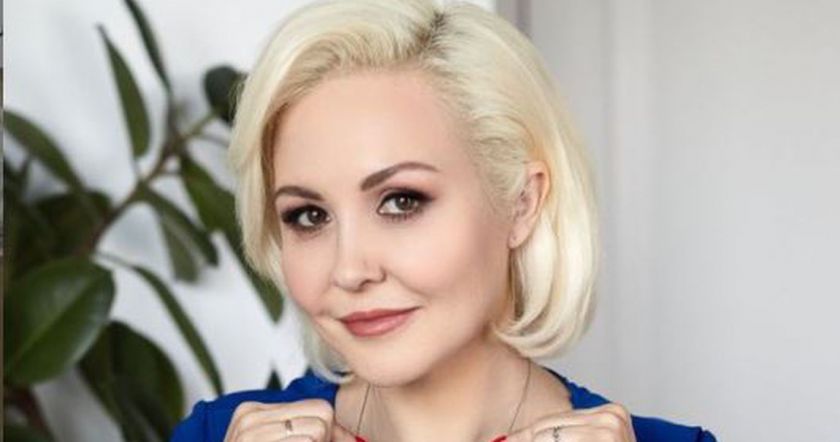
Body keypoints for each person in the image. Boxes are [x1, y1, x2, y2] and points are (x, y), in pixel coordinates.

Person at [171, 0, 717, 441]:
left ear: (521, 203)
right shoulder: (214, 436)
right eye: (308, 215)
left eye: (400, 201)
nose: (350, 270)